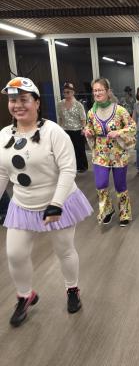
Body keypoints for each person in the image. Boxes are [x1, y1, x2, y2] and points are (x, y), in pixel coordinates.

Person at [0, 77, 93, 327]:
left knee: (64, 250)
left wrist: (57, 203)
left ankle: (72, 289)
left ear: (37, 102)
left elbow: (68, 169)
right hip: (22, 204)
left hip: (58, 202)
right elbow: (2, 172)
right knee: (15, 254)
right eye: (13, 100)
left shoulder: (53, 132)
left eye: (24, 99)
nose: (18, 105)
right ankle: (25, 296)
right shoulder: (4, 135)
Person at [85, 78, 136, 226]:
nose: (97, 93)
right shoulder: (91, 112)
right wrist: (88, 132)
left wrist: (119, 132)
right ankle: (107, 210)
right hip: (100, 154)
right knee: (100, 184)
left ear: (108, 91)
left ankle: (124, 213)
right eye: (95, 90)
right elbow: (89, 127)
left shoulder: (119, 110)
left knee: (120, 185)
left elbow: (132, 127)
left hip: (118, 154)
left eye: (100, 90)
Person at [57, 82, 88, 173]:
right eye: (64, 92)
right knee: (67, 149)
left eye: (68, 92)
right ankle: (70, 166)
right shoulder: (60, 104)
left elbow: (83, 118)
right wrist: (59, 128)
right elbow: (60, 117)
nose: (66, 94)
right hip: (65, 130)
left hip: (77, 130)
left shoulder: (78, 105)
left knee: (79, 149)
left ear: (73, 92)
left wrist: (83, 128)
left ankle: (82, 166)